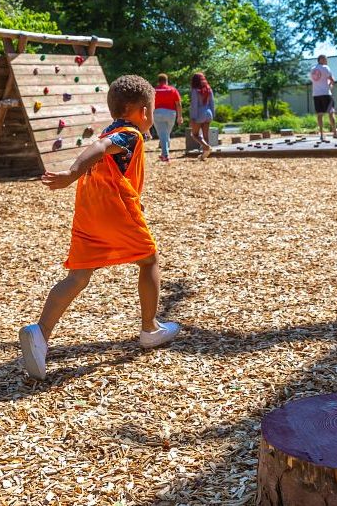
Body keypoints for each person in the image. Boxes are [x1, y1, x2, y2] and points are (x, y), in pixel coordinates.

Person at [18, 75, 180, 380]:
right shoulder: (128, 133)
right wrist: (70, 173)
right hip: (114, 212)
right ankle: (150, 329)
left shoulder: (112, 128)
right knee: (149, 260)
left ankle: (39, 333)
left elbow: (109, 165)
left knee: (78, 275)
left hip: (89, 213)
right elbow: (101, 147)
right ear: (143, 111)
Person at [153, 73, 183, 162]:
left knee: (163, 134)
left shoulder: (154, 90)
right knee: (166, 134)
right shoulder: (172, 90)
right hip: (171, 114)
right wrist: (180, 116)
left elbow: (149, 104)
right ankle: (164, 152)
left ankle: (165, 155)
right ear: (166, 81)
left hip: (158, 113)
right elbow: (178, 104)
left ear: (158, 81)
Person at [309, 55, 337, 140]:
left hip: (316, 94)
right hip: (326, 93)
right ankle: (334, 133)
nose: (327, 61)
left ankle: (322, 135)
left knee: (319, 114)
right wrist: (330, 86)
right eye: (325, 59)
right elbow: (332, 80)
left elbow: (313, 80)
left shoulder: (312, 69)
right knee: (331, 112)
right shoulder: (326, 68)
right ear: (321, 59)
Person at [189, 72, 215, 160]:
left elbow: (194, 105)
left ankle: (206, 147)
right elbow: (212, 103)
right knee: (205, 135)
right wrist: (213, 114)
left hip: (199, 114)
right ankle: (204, 155)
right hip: (208, 113)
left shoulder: (195, 90)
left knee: (194, 134)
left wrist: (193, 118)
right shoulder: (209, 89)